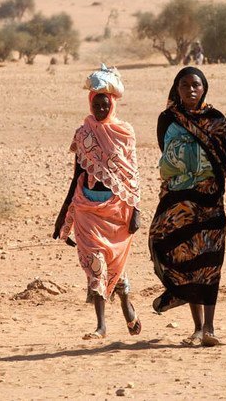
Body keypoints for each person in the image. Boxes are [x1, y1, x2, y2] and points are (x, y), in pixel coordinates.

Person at [54, 65, 142, 340]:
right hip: (87, 208)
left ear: (113, 103)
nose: (101, 108)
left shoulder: (125, 133)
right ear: (90, 104)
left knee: (115, 265)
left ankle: (126, 303)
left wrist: (136, 210)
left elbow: (133, 173)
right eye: (96, 104)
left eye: (105, 104)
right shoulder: (83, 134)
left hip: (117, 209)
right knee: (95, 265)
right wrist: (62, 216)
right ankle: (101, 325)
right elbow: (77, 174)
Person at [150, 67, 226, 347]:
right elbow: (166, 152)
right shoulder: (168, 119)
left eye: (196, 85)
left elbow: (223, 157)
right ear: (177, 88)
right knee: (182, 256)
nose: (191, 90)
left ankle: (209, 327)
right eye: (184, 85)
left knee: (209, 262)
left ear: (204, 87)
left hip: (209, 200)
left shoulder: (216, 120)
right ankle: (196, 327)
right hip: (178, 199)